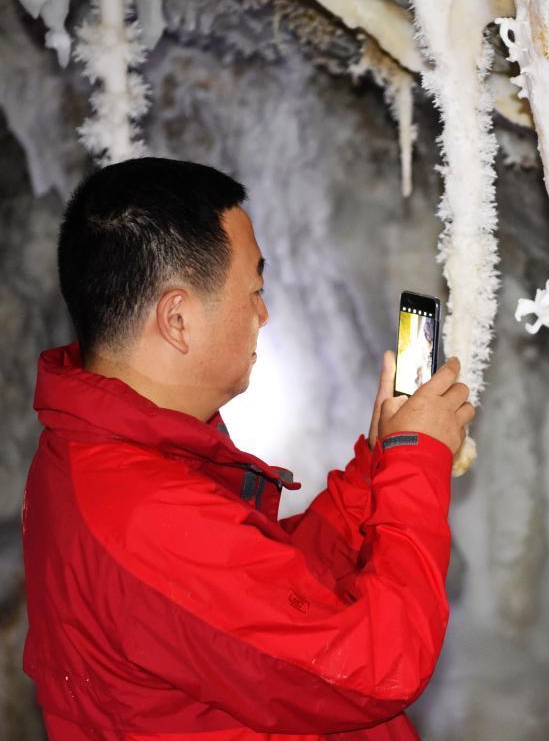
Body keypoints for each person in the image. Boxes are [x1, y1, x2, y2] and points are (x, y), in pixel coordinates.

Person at [21, 157, 476, 740]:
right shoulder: (142, 512)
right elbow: (373, 671)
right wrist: (416, 460)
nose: (263, 313)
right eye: (254, 289)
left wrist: (379, 466)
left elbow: (267, 599)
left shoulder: (109, 457)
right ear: (178, 318)